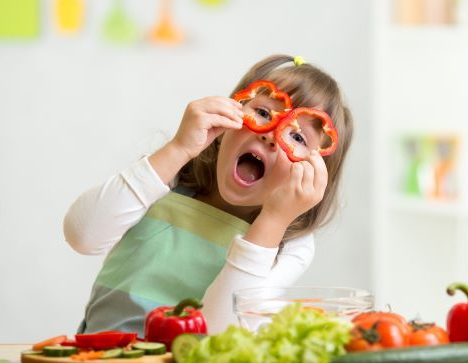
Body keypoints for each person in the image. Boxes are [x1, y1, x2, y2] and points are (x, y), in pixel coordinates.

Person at [64, 54, 353, 335]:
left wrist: (274, 220)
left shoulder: (291, 243)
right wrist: (178, 148)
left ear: (315, 173)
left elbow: (220, 331)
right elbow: (82, 236)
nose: (270, 135)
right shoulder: (169, 176)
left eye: (298, 137)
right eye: (263, 112)